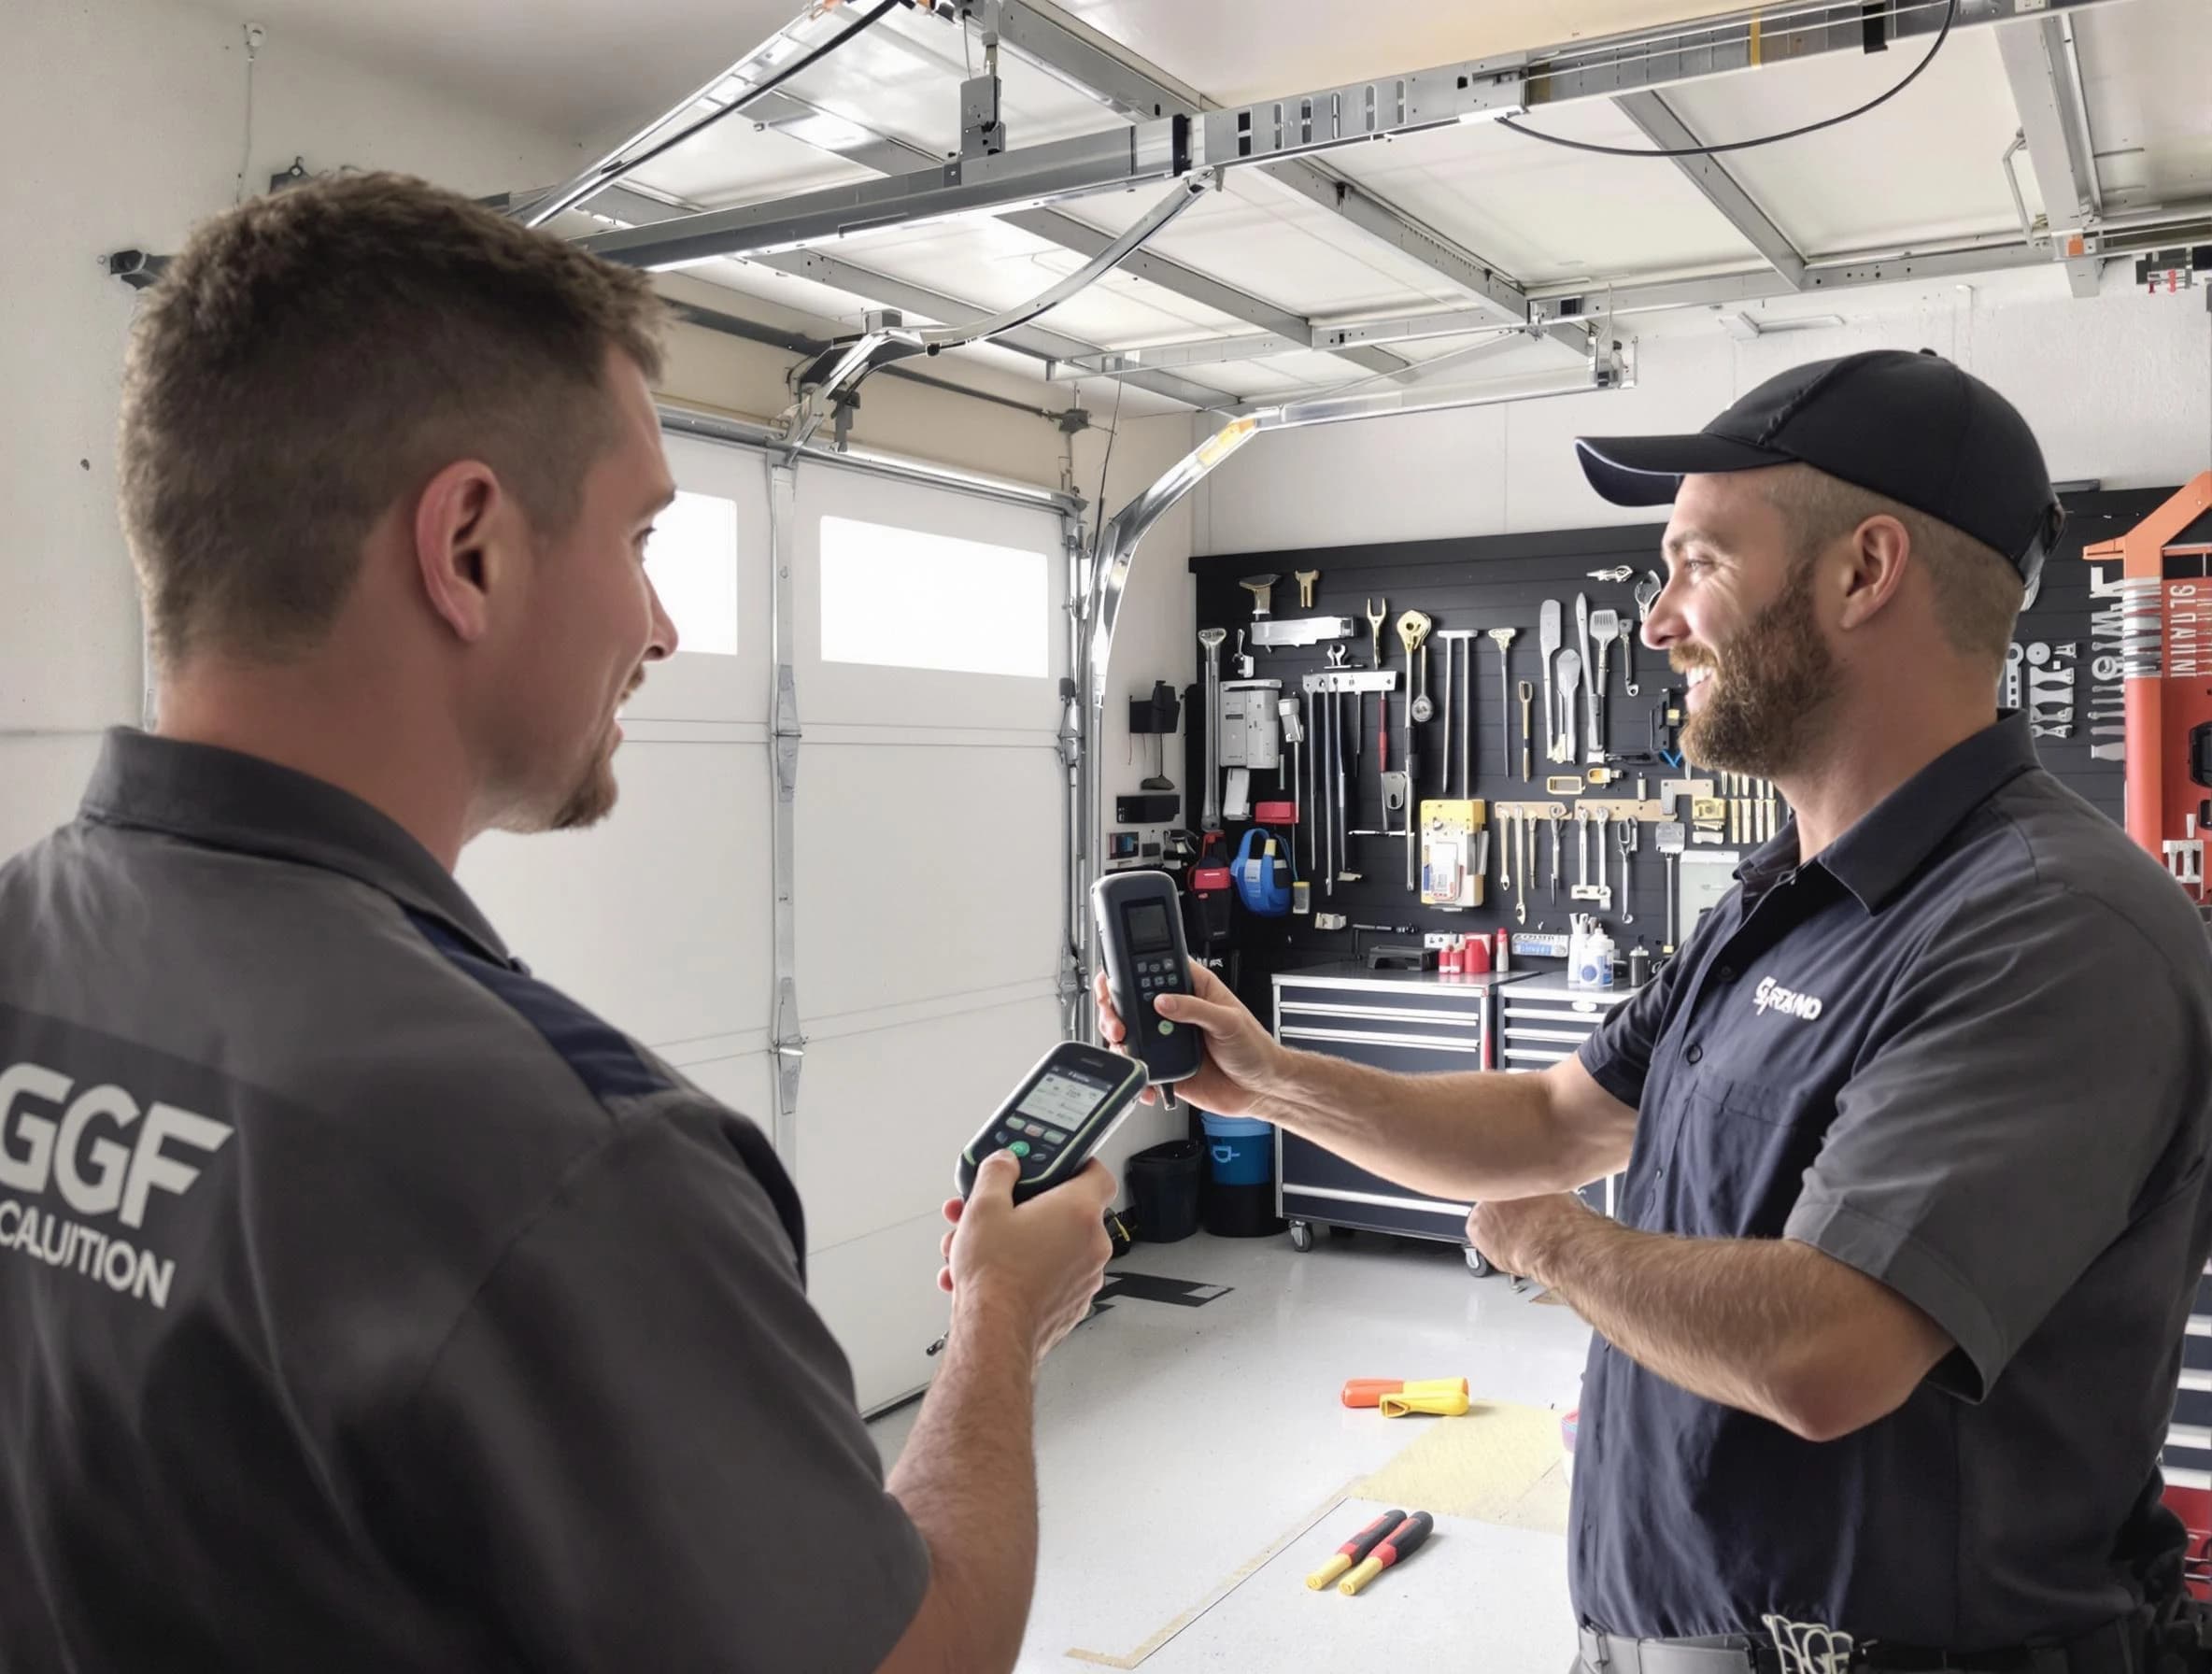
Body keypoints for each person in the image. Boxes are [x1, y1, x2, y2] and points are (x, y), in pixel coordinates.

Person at [0, 172, 1114, 1672]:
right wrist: (998, 1322)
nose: (660, 628)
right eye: (644, 539)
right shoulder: (574, 1164)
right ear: (468, 547)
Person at [1101, 350, 2212, 1672]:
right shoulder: (1780, 895)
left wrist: (1551, 1248)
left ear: (1864, 572)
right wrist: (1273, 1079)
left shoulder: (2049, 927)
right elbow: (1557, 1115)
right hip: (1654, 1628)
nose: (1655, 620)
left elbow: (1827, 1347)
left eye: (1699, 562)